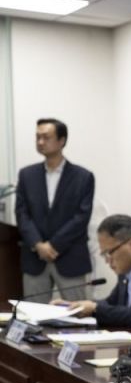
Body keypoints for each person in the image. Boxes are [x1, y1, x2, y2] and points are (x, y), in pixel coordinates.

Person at [14, 118, 94, 301]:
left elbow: (81, 217)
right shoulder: (27, 175)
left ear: (61, 140)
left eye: (46, 137)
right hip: (35, 258)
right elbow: (22, 213)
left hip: (70, 256)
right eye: (37, 137)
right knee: (32, 313)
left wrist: (54, 245)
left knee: (77, 313)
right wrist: (38, 244)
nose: (40, 142)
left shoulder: (83, 177)